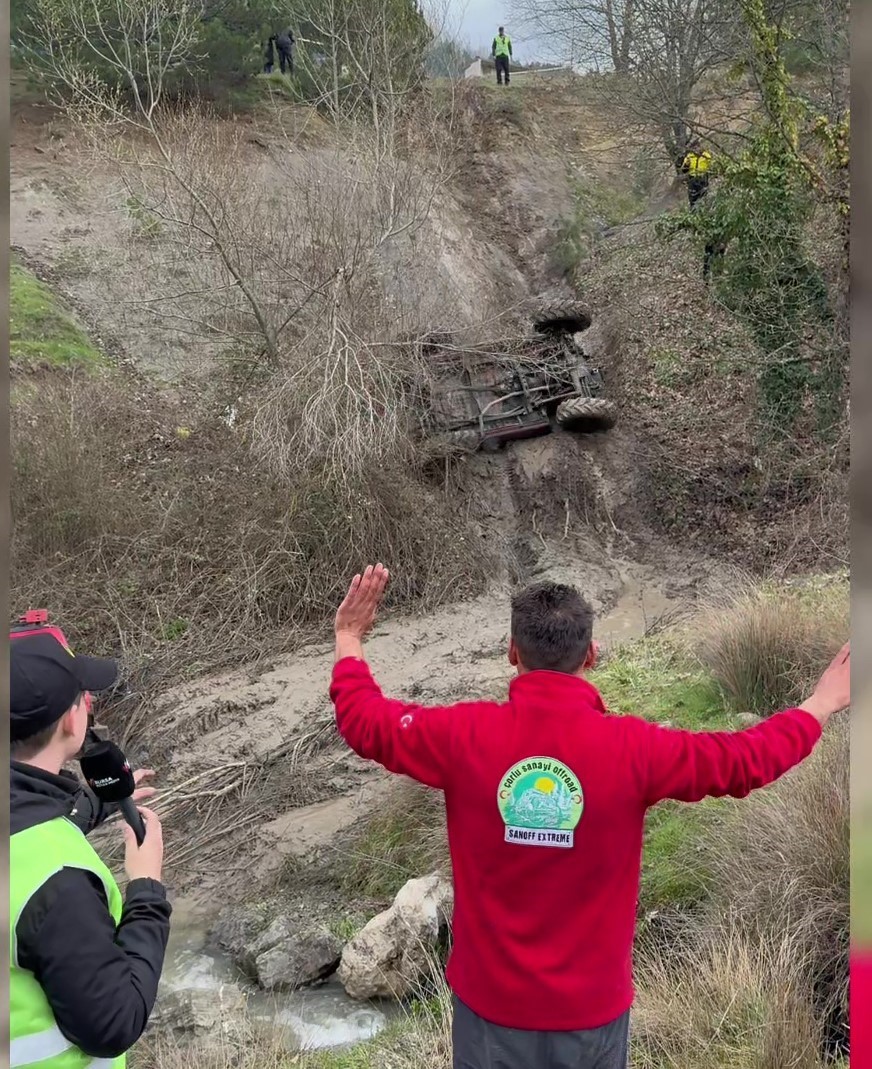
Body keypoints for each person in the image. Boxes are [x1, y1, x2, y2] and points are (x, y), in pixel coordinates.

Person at [330, 564, 850, 1069]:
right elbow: (742, 760)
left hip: (490, 1014)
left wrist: (350, 636)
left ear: (513, 653)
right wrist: (819, 705)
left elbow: (365, 721)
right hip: (591, 1019)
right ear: (593, 654)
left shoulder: (462, 736)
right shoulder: (634, 749)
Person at [10, 632, 171, 1068]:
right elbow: (113, 1024)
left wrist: (95, 802)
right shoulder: (55, 880)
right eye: (83, 696)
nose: (90, 703)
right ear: (70, 720)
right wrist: (146, 890)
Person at [681, 137, 712, 207]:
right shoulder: (689, 157)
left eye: (697, 147)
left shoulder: (706, 156)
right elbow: (684, 170)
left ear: (700, 146)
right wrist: (687, 164)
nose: (695, 150)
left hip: (703, 179)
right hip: (692, 180)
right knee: (693, 199)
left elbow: (711, 168)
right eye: (693, 148)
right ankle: (693, 213)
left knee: (703, 198)